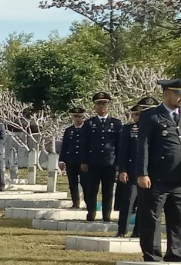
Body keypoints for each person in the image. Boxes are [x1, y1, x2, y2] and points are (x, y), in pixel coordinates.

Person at [133, 79, 181, 263]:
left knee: (177, 217)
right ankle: (152, 255)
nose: (180, 98)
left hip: (177, 178)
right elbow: (142, 147)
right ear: (167, 93)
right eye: (177, 94)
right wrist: (141, 173)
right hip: (155, 177)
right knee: (151, 217)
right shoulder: (152, 116)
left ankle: (175, 253)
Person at [115, 97, 154, 239]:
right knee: (128, 202)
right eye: (141, 110)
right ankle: (121, 230)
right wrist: (123, 170)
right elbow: (123, 151)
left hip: (151, 172)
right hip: (132, 170)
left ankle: (138, 231)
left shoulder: (156, 127)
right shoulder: (129, 129)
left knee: (144, 204)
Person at [80, 92, 121, 222]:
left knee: (108, 191)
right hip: (93, 163)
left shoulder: (116, 123)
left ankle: (106, 215)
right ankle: (91, 213)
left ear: (108, 105)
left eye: (104, 103)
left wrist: (119, 163)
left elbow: (119, 145)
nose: (102, 106)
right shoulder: (88, 123)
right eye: (99, 104)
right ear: (95, 106)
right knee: (92, 190)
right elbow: (84, 144)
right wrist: (84, 161)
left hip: (110, 163)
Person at [58, 106, 86, 210]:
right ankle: (75, 203)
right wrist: (61, 160)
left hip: (84, 161)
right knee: (72, 183)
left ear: (83, 117)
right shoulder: (69, 131)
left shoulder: (87, 130)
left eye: (79, 116)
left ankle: (88, 202)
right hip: (71, 161)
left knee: (85, 183)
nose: (77, 119)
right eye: (75, 116)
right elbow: (64, 146)